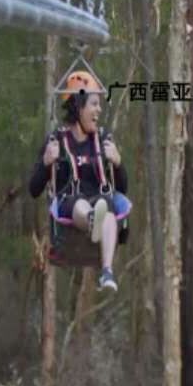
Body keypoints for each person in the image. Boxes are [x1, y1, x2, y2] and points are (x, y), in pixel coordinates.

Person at [29, 71, 131, 292]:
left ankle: (107, 271)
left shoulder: (104, 140)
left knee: (109, 206)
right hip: (70, 210)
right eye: (94, 104)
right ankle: (93, 220)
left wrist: (118, 162)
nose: (99, 110)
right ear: (78, 107)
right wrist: (46, 163)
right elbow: (34, 189)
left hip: (101, 203)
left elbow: (123, 189)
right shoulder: (57, 141)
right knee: (79, 203)